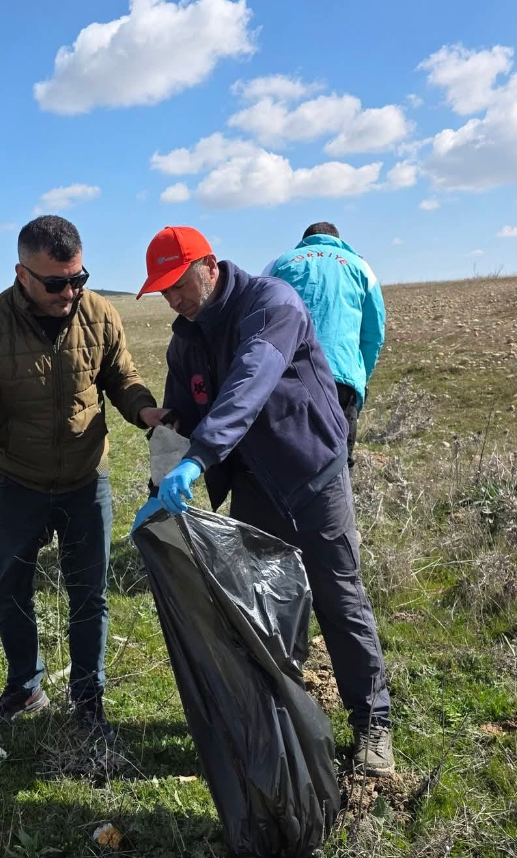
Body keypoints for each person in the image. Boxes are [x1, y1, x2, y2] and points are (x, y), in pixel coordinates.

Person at [134, 226, 393, 775]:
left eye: (178, 284)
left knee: (336, 597)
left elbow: (250, 382)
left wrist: (199, 457)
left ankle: (373, 724)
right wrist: (160, 489)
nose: (172, 299)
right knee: (263, 605)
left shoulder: (272, 303)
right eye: (163, 291)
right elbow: (179, 416)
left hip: (312, 473)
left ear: (208, 265)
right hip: (252, 486)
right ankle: (282, 716)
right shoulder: (186, 340)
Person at [0, 215, 165, 740]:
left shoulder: (99, 312)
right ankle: (24, 687)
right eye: (55, 283)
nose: (69, 292)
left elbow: (121, 376)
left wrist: (144, 409)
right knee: (10, 589)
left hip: (87, 480)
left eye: (78, 279)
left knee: (90, 595)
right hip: (16, 480)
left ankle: (88, 701)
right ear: (22, 273)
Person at [263, 223, 385, 468]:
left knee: (284, 462)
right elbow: (374, 333)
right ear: (337, 240)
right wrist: (359, 379)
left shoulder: (279, 264)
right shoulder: (360, 267)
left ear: (305, 241)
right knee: (337, 466)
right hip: (340, 378)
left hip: (286, 376)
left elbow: (259, 316)